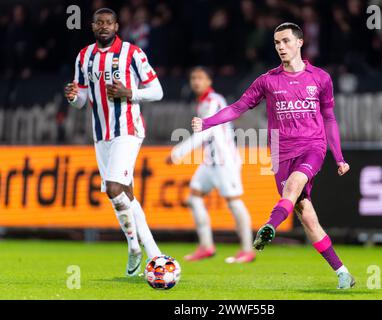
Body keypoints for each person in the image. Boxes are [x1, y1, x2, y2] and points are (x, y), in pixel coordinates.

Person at [192, 23, 355, 289]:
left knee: (292, 187)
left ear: (300, 42)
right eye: (277, 42)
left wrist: (338, 157)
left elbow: (329, 118)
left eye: (286, 41)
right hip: (280, 154)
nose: (281, 46)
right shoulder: (268, 81)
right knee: (307, 217)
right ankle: (342, 273)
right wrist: (207, 122)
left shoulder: (321, 78)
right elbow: (238, 107)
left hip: (312, 147)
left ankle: (269, 226)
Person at [64, 8, 163, 277]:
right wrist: (73, 97)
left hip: (128, 129)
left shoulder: (132, 53)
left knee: (113, 187)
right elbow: (82, 98)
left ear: (117, 26)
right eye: (99, 23)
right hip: (101, 134)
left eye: (109, 23)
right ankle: (147, 252)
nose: (104, 27)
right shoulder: (84, 56)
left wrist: (130, 92)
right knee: (125, 195)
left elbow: (157, 91)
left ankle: (140, 249)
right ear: (93, 26)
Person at [168, 66, 255, 263]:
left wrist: (178, 152)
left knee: (233, 201)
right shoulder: (202, 103)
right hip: (210, 162)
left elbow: (206, 131)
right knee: (194, 197)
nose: (196, 82)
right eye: (193, 78)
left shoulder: (215, 101)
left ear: (209, 81)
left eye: (200, 78)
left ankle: (247, 249)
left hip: (225, 161)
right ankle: (206, 246)